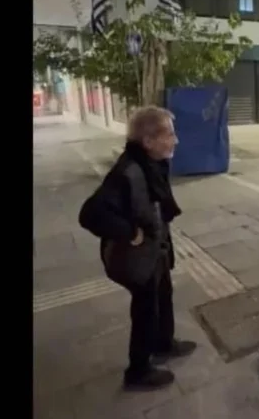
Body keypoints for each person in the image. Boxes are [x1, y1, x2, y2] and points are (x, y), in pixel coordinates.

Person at [81, 106, 196, 390]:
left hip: (155, 252)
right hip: (136, 259)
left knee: (163, 295)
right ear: (148, 141)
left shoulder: (153, 163)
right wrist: (130, 232)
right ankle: (138, 371)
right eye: (169, 134)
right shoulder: (128, 171)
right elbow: (90, 214)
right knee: (146, 309)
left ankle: (163, 343)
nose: (176, 140)